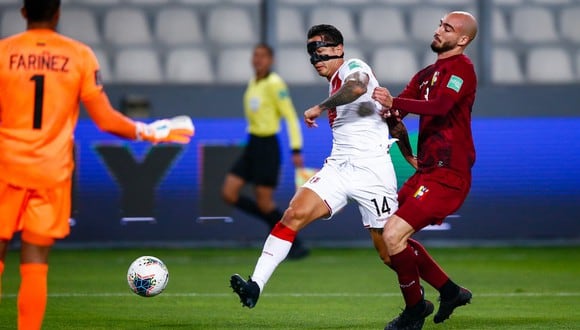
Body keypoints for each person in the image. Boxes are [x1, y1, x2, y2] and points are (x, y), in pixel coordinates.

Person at [0, 1, 194, 329]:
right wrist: (151, 132)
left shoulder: (4, 52)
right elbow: (105, 120)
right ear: (58, 12)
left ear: (22, 12)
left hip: (4, 165)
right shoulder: (78, 55)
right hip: (50, 172)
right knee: (35, 262)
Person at [229, 24, 416, 310]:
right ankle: (255, 285)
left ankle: (441, 288)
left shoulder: (354, 67)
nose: (316, 59)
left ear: (339, 49)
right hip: (338, 168)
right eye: (311, 53)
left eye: (321, 51)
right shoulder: (334, 82)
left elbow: (357, 87)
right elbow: (392, 123)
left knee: (390, 253)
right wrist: (408, 152)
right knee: (292, 215)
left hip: (372, 171)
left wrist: (319, 107)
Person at [372, 11, 478, 330]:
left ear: (462, 40)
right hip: (427, 172)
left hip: (449, 173)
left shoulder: (462, 70)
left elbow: (442, 106)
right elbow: (399, 108)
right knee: (385, 238)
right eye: (440, 25)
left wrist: (397, 103)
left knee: (393, 235)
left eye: (447, 28)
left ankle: (415, 309)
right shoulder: (424, 75)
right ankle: (449, 291)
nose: (438, 31)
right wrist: (387, 111)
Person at [221, 43, 309, 260]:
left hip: (268, 146)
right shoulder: (254, 82)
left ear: (271, 60)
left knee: (265, 203)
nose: (258, 59)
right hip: (252, 144)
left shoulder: (275, 83)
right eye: (255, 56)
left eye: (262, 56)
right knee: (229, 193)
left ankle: (293, 242)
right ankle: (272, 224)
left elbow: (290, 116)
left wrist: (296, 148)